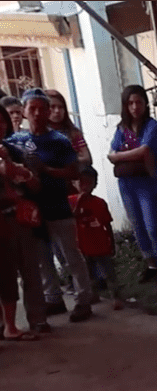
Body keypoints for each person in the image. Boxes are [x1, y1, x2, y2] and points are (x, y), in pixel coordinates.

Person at [7, 88, 93, 323]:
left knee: (70, 255)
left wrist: (46, 171)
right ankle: (53, 298)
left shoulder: (59, 141)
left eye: (41, 109)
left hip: (58, 206)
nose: (36, 113)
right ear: (24, 112)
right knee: (42, 258)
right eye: (31, 108)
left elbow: (74, 170)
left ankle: (84, 299)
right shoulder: (17, 141)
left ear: (47, 112)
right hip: (31, 211)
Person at [108, 85, 157, 295]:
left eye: (139, 102)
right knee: (138, 226)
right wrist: (125, 154)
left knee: (152, 226)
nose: (135, 107)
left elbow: (145, 150)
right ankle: (151, 265)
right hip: (126, 183)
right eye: (130, 103)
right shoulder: (121, 128)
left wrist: (120, 156)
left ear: (145, 104)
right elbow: (111, 152)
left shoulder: (152, 127)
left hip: (146, 182)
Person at [0, 104, 44, 339]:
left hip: (17, 218)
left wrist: (23, 176)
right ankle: (5, 326)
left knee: (28, 270)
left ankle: (36, 320)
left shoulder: (15, 150)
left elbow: (34, 183)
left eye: (1, 121)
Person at [69, 167, 122, 310]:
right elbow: (70, 218)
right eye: (82, 182)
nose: (85, 185)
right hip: (83, 245)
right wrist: (79, 201)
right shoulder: (71, 201)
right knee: (88, 274)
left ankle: (116, 296)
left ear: (95, 184)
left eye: (89, 182)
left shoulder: (99, 203)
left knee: (109, 273)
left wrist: (111, 243)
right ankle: (94, 294)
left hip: (101, 244)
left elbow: (107, 224)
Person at [45, 90, 91, 167]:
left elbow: (87, 158)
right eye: (52, 107)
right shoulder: (39, 133)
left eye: (60, 107)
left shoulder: (73, 133)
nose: (57, 111)